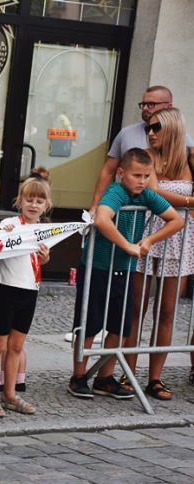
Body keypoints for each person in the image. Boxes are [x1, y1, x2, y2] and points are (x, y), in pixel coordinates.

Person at [69, 148, 183, 399]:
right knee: (89, 324)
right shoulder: (115, 191)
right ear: (121, 173)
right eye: (136, 175)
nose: (142, 181)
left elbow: (177, 220)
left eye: (146, 175)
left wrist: (149, 240)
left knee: (120, 325)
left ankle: (104, 378)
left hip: (124, 270)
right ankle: (78, 376)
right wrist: (128, 245)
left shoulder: (146, 196)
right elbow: (101, 220)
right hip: (98, 267)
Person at [121, 109, 194, 400]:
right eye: (149, 127)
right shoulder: (147, 157)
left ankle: (155, 378)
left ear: (173, 129)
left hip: (181, 240)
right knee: (136, 309)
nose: (150, 132)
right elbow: (154, 194)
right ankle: (128, 373)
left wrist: (185, 204)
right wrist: (190, 201)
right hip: (147, 237)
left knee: (166, 312)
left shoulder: (189, 158)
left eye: (156, 128)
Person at [0, 172, 52, 417]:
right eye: (29, 200)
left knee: (16, 345)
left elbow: (43, 257)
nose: (34, 205)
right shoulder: (10, 223)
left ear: (46, 205)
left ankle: (9, 393)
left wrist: (46, 257)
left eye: (39, 201)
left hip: (29, 293)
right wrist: (6, 232)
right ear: (20, 201)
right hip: (8, 290)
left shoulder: (45, 229)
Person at [89, 86, 194, 216]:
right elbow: (108, 171)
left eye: (151, 104)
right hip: (135, 214)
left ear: (169, 106)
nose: (145, 108)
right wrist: (95, 207)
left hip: (180, 224)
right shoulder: (126, 134)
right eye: (143, 104)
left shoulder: (186, 143)